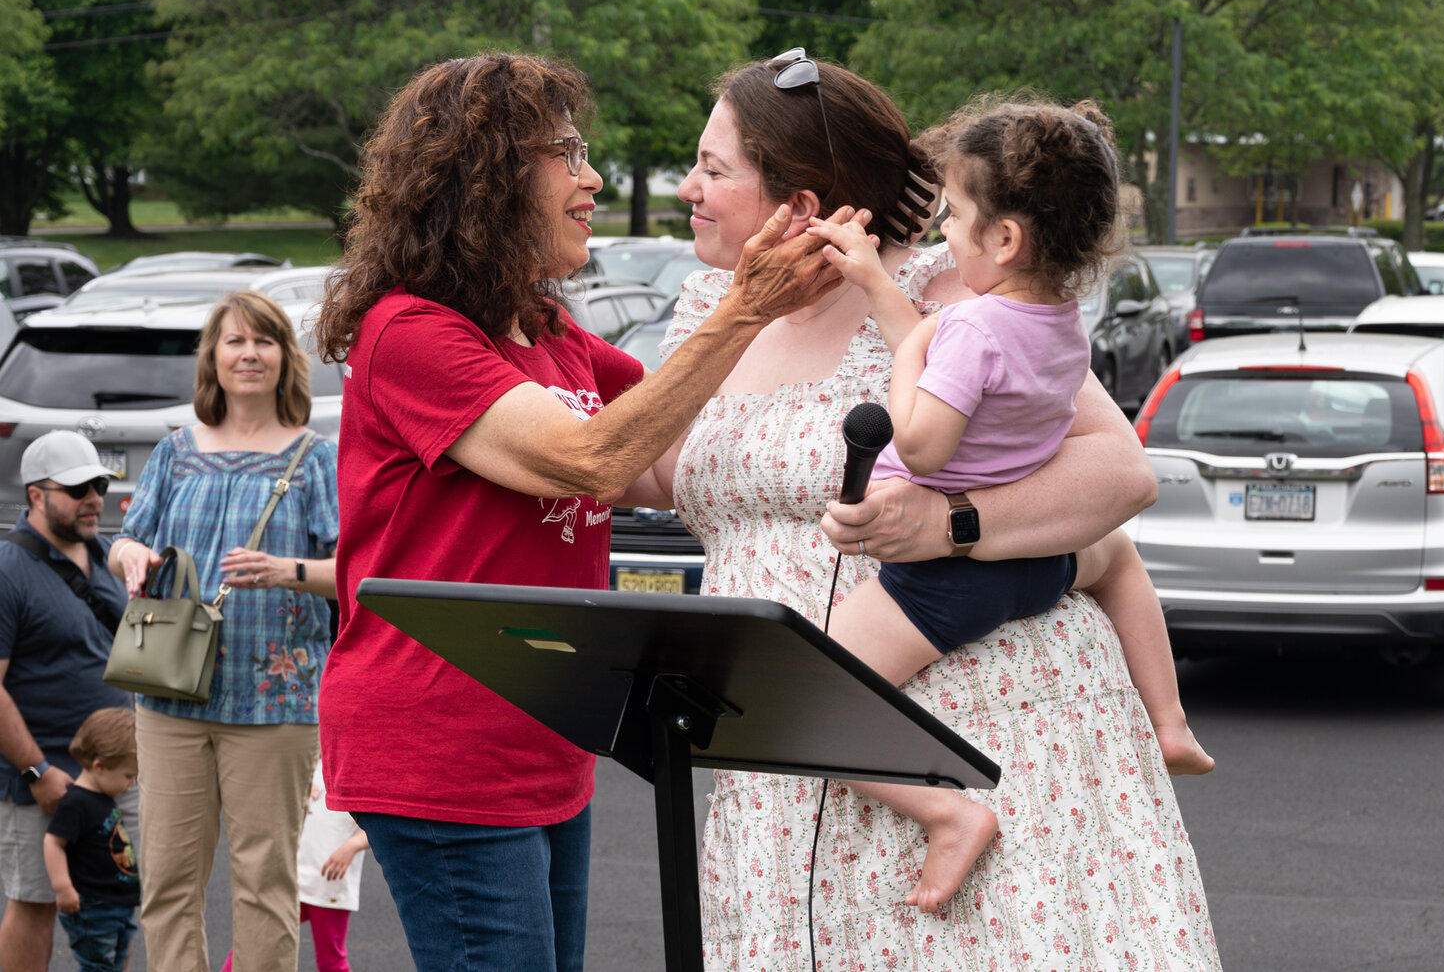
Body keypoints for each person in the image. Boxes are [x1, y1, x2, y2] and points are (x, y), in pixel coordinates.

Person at [652, 52, 1222, 968]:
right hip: (790, 746)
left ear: (804, 200)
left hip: (972, 718)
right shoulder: (706, 309)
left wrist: (955, 524)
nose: (689, 187)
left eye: (715, 169)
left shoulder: (955, 294)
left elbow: (1120, 473)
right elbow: (656, 472)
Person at [312, 52, 842, 972]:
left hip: (542, 735)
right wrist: (744, 308)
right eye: (568, 153)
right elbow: (591, 461)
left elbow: (684, 450)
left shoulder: (550, 335)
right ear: (489, 178)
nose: (594, 177)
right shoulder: (411, 332)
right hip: (440, 741)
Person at [804, 93, 1214, 912]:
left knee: (808, 700)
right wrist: (882, 289)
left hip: (947, 581)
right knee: (1121, 558)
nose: (944, 234)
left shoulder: (968, 329)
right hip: (1044, 561)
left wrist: (906, 363)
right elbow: (947, 355)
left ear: (1004, 237)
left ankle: (948, 816)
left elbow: (922, 444)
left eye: (954, 216)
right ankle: (1168, 719)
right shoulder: (1058, 321)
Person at [109, 289, 340, 972]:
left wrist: (286, 570)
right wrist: (131, 559)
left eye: (263, 341)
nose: (248, 354)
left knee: (264, 887)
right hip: (168, 694)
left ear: (283, 358)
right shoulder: (176, 451)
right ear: (213, 357)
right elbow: (125, 541)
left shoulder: (313, 458)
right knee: (168, 883)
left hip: (276, 703)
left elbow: (356, 572)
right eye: (234, 341)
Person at [0, 430, 135, 972]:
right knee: (35, 903)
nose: (94, 499)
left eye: (99, 485)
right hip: (44, 777)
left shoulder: (106, 554)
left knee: (115, 904)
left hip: (116, 777)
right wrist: (37, 771)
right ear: (36, 494)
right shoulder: (9, 569)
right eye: (78, 488)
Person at [221, 757, 370, 972]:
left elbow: (383, 825)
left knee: (331, 962)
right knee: (250, 946)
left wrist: (352, 846)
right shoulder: (301, 761)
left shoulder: (358, 772)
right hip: (287, 878)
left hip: (328, 883)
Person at [43, 707, 140, 972]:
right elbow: (53, 842)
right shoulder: (76, 802)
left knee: (117, 962)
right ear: (99, 766)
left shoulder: (105, 797)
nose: (131, 784)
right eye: (128, 776)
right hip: (92, 908)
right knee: (98, 966)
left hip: (118, 904)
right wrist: (62, 887)